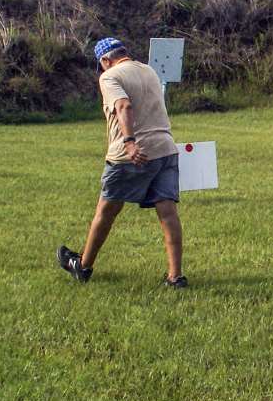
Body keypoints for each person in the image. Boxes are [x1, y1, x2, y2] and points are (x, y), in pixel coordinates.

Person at [58, 37, 187, 287]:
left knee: (106, 211)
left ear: (106, 60)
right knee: (168, 212)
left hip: (131, 154)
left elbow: (123, 106)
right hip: (166, 148)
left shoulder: (110, 76)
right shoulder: (148, 70)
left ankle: (82, 266)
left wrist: (129, 141)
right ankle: (175, 277)